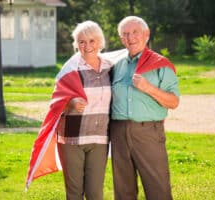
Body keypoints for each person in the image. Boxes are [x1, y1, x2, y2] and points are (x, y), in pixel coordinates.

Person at [110, 16, 180, 200]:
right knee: (123, 190)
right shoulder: (116, 66)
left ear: (146, 35)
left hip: (148, 132)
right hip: (118, 132)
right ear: (121, 39)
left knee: (158, 188)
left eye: (135, 32)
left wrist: (148, 88)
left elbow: (173, 102)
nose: (130, 37)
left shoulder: (161, 65)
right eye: (125, 34)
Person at [57, 20, 112, 200]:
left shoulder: (110, 68)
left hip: (99, 137)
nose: (87, 46)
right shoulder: (70, 68)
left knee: (95, 193)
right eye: (82, 41)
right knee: (74, 193)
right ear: (76, 44)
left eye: (92, 41)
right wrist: (71, 103)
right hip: (73, 137)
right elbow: (56, 101)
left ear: (100, 42)